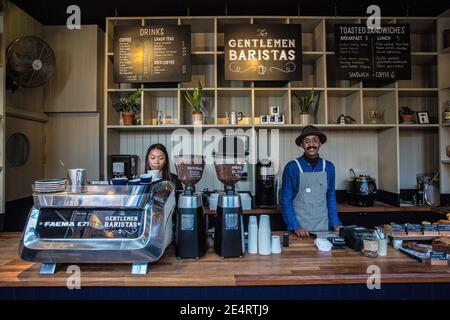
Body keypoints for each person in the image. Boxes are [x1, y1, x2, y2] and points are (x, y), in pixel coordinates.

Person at [281, 125, 342, 238]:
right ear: (302, 145)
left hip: (324, 228)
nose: (311, 145)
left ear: (320, 144)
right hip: (298, 231)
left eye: (315, 140)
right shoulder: (292, 167)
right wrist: (295, 226)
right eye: (307, 141)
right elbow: (285, 200)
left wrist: (335, 223)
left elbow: (331, 197)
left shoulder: (329, 167)